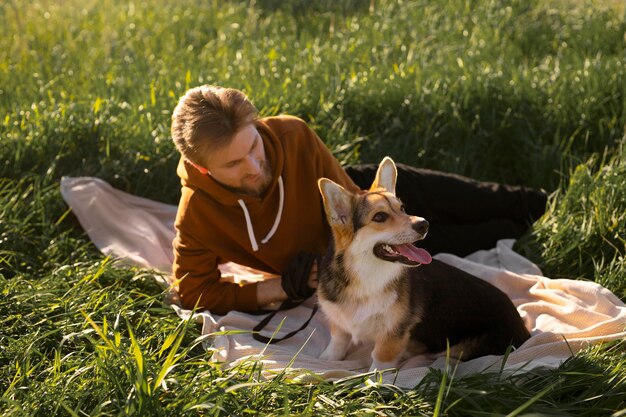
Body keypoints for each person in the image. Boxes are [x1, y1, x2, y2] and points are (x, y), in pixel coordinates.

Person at [170, 85, 546, 315]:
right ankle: (523, 228)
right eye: (234, 163)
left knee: (480, 200)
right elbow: (192, 290)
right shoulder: (197, 216)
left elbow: (358, 210)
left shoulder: (292, 135)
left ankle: (540, 202)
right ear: (202, 170)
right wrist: (280, 288)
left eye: (254, 144)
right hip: (354, 256)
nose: (254, 166)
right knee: (466, 240)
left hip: (358, 204)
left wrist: (386, 220)